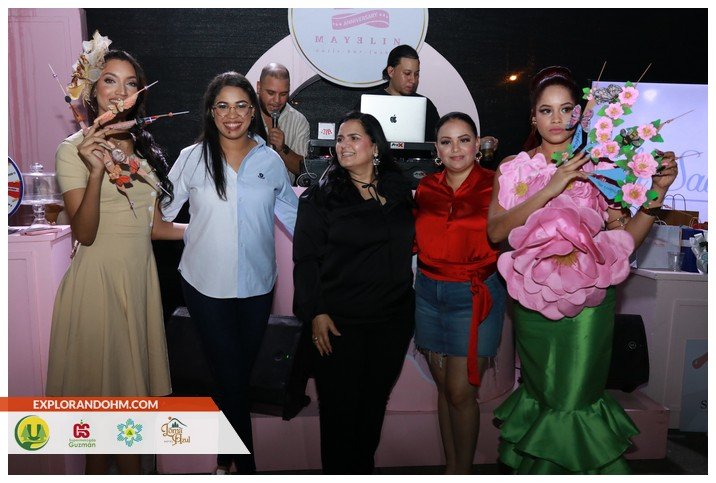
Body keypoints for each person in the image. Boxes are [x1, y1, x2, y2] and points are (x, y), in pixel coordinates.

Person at [487, 66, 678, 474]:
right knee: (545, 397)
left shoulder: (602, 167)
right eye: (546, 110)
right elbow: (496, 232)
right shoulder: (514, 168)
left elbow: (624, 242)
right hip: (534, 302)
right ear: (533, 117)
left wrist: (656, 194)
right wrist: (551, 186)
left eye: (566, 109)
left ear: (579, 114)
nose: (557, 119)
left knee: (573, 401)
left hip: (590, 306)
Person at [46, 34, 185, 475]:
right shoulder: (72, 150)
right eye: (110, 80)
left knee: (130, 424)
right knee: (104, 431)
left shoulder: (142, 148)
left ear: (139, 93)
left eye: (130, 83)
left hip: (139, 285)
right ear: (93, 89)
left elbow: (154, 226)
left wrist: (214, 230)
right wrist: (93, 173)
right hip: (99, 287)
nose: (120, 91)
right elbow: (84, 234)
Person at [161, 71, 298, 474]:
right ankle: (247, 467)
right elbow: (161, 213)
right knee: (232, 373)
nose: (232, 114)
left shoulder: (270, 160)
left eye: (241, 105)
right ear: (211, 111)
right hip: (204, 285)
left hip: (258, 286)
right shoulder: (191, 158)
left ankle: (224, 461)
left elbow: (295, 218)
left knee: (233, 375)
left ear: (253, 111)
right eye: (222, 105)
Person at [292, 111, 415, 474]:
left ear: (375, 146)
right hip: (338, 323)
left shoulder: (398, 189)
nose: (343, 145)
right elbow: (305, 260)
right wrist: (316, 312)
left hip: (391, 321)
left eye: (353, 138)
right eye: (340, 139)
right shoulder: (321, 197)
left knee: (373, 406)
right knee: (338, 412)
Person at [413, 112, 506, 474]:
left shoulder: (496, 184)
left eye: (464, 140)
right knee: (444, 389)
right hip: (428, 295)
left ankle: (461, 473)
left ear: (477, 144)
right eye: (446, 141)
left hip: (475, 295)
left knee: (460, 391)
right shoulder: (426, 188)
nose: (455, 149)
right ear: (436, 149)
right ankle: (451, 468)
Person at [356, 44, 440, 141]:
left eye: (416, 74)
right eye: (407, 73)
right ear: (391, 71)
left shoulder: (427, 106)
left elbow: (438, 142)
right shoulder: (367, 103)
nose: (413, 80)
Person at [256, 62, 310, 184]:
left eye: (283, 94)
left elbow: (303, 170)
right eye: (271, 93)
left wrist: (282, 149)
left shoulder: (298, 121)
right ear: (258, 87)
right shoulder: (243, 113)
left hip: (282, 193)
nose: (277, 100)